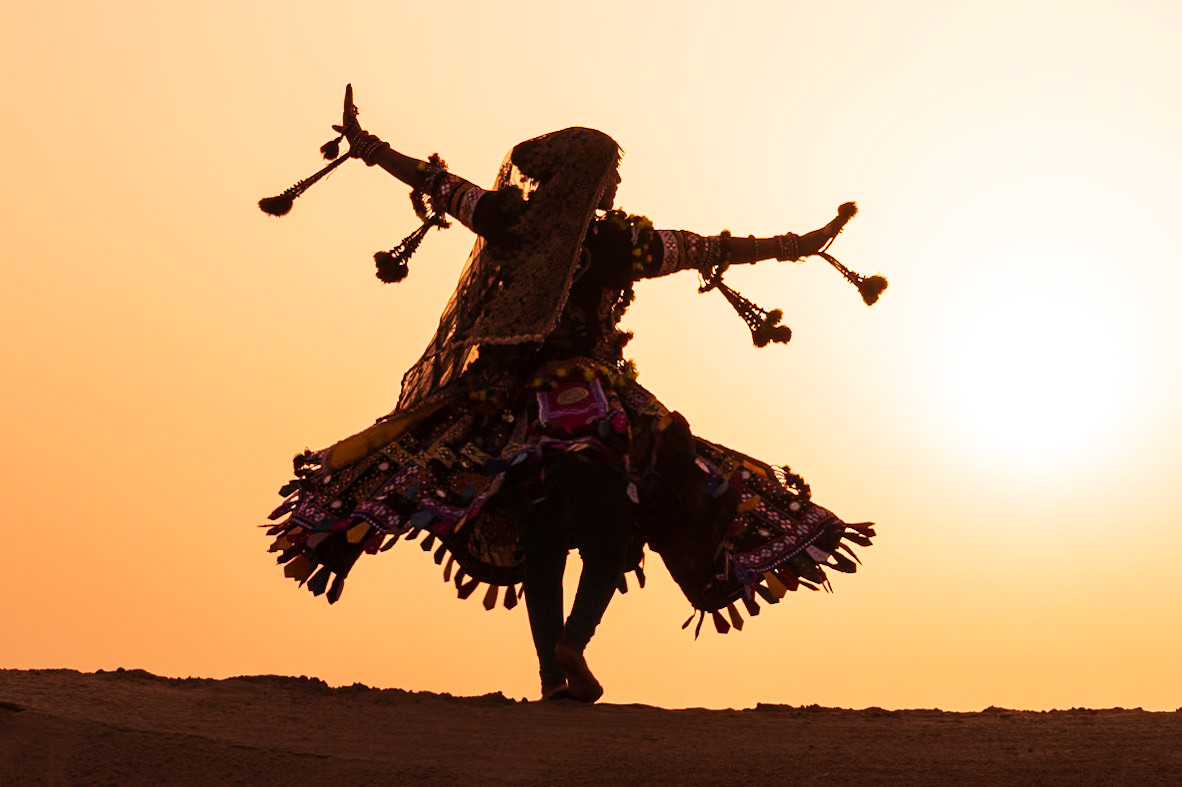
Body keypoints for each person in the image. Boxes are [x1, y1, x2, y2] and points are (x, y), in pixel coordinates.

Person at [261, 86, 879, 703]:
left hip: (504, 410)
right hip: (592, 406)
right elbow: (711, 248)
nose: (612, 187)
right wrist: (799, 244)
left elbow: (436, 183)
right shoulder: (617, 244)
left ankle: (551, 673)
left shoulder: (507, 220)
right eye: (608, 174)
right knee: (614, 536)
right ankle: (571, 646)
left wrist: (371, 148)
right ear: (590, 178)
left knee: (543, 545)